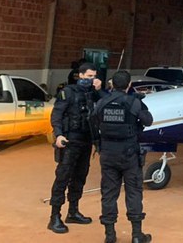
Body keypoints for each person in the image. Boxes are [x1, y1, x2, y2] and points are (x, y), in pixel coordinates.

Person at [93, 70, 154, 243]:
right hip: (129, 154)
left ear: (112, 84)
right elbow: (148, 121)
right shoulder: (133, 102)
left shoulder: (102, 102)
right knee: (133, 192)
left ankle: (109, 235)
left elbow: (93, 122)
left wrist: (98, 143)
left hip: (108, 153)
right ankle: (136, 235)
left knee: (109, 193)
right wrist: (140, 103)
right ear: (129, 85)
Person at [48, 62, 106, 234]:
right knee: (62, 177)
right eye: (89, 76)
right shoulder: (68, 92)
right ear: (80, 75)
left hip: (86, 141)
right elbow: (56, 115)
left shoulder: (93, 93)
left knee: (80, 177)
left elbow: (107, 102)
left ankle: (73, 211)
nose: (92, 79)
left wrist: (99, 89)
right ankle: (54, 216)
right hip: (70, 141)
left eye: (94, 76)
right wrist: (58, 135)